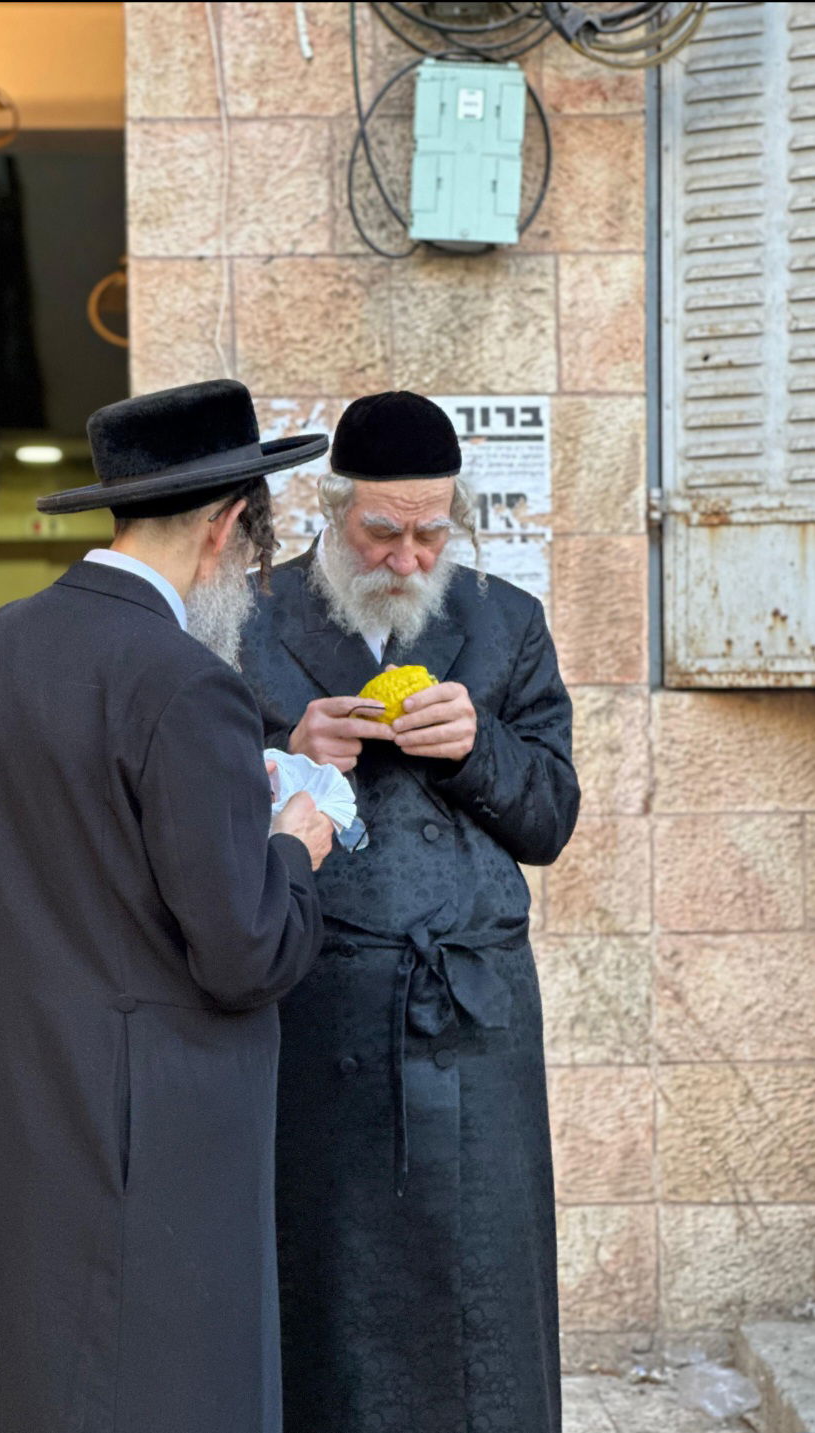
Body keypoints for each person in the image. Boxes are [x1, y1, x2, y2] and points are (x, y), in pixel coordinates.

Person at [0, 378, 335, 1433]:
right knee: (164, 1384)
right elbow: (244, 948)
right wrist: (294, 840)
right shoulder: (183, 678)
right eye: (251, 545)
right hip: (151, 1120)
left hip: (8, 1088)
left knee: (19, 1373)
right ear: (225, 525)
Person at [239, 389, 581, 1433]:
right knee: (330, 1269)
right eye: (380, 531)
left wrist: (479, 747)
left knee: (481, 1267)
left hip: (472, 1012)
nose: (405, 556)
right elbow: (192, 804)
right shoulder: (252, 619)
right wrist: (286, 754)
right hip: (318, 1003)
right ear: (330, 512)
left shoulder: (506, 620)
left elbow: (552, 814)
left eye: (430, 531)